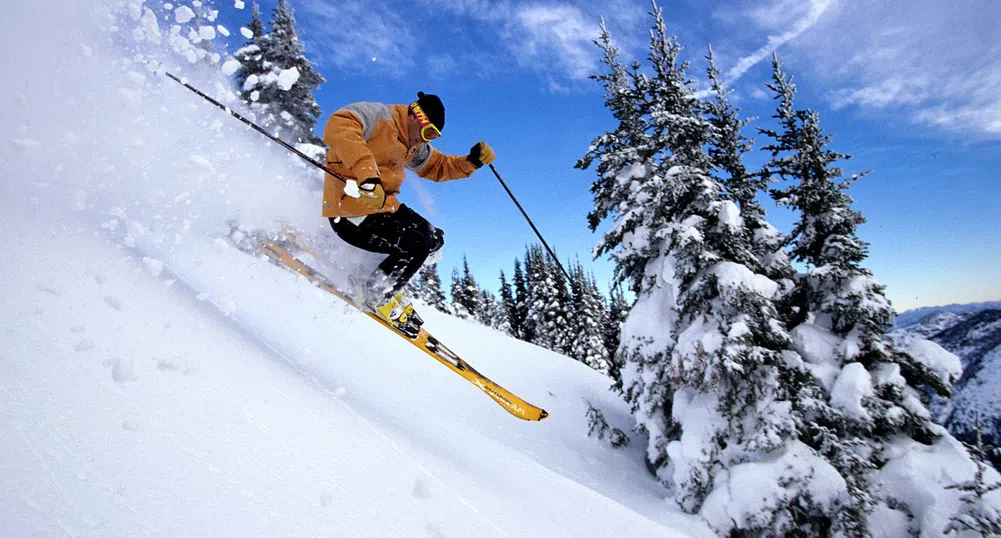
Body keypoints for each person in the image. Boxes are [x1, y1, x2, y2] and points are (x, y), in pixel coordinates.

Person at [321, 91, 495, 336]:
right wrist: (367, 175)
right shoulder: (378, 117)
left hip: (383, 207)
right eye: (428, 133)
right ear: (416, 117)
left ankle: (371, 278)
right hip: (349, 208)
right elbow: (339, 124)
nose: (426, 141)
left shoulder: (412, 145)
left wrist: (472, 162)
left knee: (433, 237)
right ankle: (374, 293)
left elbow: (438, 166)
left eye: (433, 136)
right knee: (416, 244)